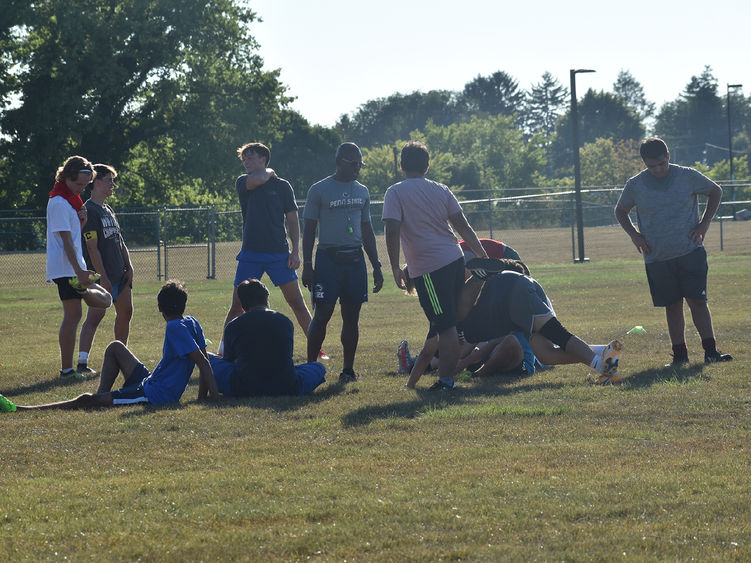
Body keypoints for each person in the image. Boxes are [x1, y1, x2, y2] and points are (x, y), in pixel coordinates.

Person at [0, 280, 217, 411]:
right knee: (115, 347)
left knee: (83, 400)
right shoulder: (191, 321)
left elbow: (202, 363)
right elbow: (205, 362)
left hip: (154, 396)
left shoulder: (174, 328)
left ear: (159, 307)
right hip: (150, 381)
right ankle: (102, 398)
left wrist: (210, 400)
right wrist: (202, 398)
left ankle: (23, 409)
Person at [383, 140, 495, 391]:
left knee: (445, 327)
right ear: (427, 166)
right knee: (442, 324)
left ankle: (446, 382)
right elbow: (462, 225)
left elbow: (391, 230)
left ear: (401, 166)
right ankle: (414, 382)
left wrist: (394, 267)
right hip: (454, 259)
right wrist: (482, 254)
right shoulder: (442, 189)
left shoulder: (395, 192)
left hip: (429, 269)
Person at [614, 137, 732, 366]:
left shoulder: (687, 175)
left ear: (668, 157)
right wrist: (635, 235)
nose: (657, 170)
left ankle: (711, 352)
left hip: (690, 251)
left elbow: (715, 191)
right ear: (644, 163)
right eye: (651, 166)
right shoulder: (636, 184)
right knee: (673, 305)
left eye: (661, 163)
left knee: (698, 301)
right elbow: (620, 210)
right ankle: (679, 356)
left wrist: (703, 224)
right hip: (657, 256)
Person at [436, 266, 622, 389]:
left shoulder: (463, 326)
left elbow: (463, 351)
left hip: (513, 293)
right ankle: (604, 355)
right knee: (546, 355)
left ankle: (605, 370)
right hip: (515, 295)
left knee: (559, 336)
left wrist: (455, 366)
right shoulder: (465, 322)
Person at [219, 143, 325, 358]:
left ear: (263, 158)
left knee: (297, 302)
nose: (246, 162)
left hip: (279, 254)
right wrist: (267, 172)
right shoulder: (244, 181)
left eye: (250, 158)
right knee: (237, 306)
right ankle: (223, 352)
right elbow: (258, 179)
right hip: (251, 254)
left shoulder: (283, 186)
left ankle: (316, 348)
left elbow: (293, 220)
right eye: (244, 159)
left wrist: (295, 251)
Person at [301, 142, 384, 382]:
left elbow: (367, 230)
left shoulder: (363, 191)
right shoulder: (319, 190)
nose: (357, 168)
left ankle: (348, 369)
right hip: (328, 258)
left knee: (351, 316)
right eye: (352, 164)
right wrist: (307, 265)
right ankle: (311, 368)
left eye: (360, 164)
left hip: (354, 259)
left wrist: (376, 265)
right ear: (339, 162)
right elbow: (309, 229)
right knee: (323, 314)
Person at [46, 156, 112, 380]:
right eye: (78, 184)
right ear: (66, 177)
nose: (82, 189)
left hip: (73, 268)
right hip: (67, 269)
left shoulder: (71, 202)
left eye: (85, 185)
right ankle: (66, 371)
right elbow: (65, 241)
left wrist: (81, 222)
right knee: (73, 316)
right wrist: (79, 271)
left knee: (91, 307)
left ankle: (68, 369)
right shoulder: (58, 202)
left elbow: (73, 237)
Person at [208, 279, 326, 397]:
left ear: (243, 305)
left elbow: (229, 360)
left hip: (243, 387)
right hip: (287, 385)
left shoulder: (233, 325)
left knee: (208, 359)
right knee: (318, 367)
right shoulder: (285, 321)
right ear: (266, 299)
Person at [76, 164, 134, 375]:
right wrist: (103, 279)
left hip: (120, 274)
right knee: (95, 317)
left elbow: (119, 241)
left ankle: (122, 357)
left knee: (126, 313)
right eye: (109, 180)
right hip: (102, 276)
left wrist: (129, 266)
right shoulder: (89, 210)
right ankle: (82, 363)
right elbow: (92, 248)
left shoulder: (108, 209)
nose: (113, 184)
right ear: (96, 182)